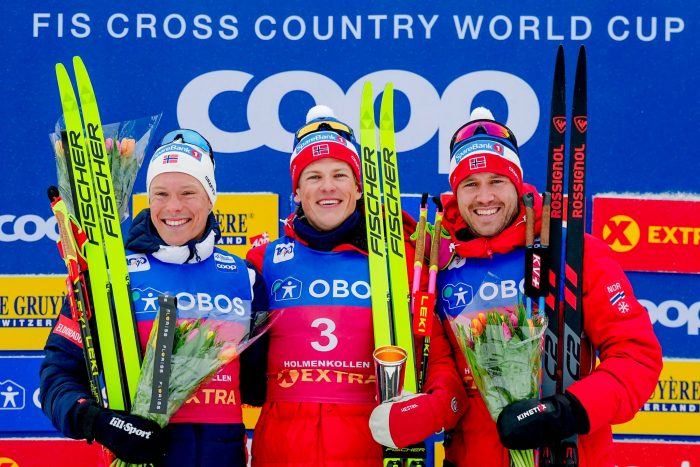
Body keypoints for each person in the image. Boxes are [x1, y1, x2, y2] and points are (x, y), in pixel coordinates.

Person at [431, 108, 663, 466]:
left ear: (517, 184)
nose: (484, 197)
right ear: (455, 192)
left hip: (566, 455)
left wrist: (568, 411)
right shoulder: (439, 265)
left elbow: (636, 356)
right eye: (470, 184)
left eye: (497, 181)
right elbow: (438, 371)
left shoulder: (575, 253)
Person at [244, 106, 466, 466]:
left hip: (370, 449)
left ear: (359, 187)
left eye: (340, 175)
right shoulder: (263, 262)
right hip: (280, 452)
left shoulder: (399, 261)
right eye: (313, 176)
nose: (327, 187)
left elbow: (438, 361)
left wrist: (433, 409)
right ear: (296, 191)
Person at [40, 129, 267, 466]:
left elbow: (259, 387)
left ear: (210, 198)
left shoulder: (244, 278)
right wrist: (100, 423)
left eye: (188, 192)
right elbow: (57, 377)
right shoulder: (109, 278)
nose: (173, 206)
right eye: (161, 193)